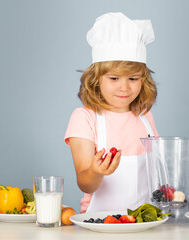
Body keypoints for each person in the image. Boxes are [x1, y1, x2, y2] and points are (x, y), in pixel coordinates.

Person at [64, 12, 158, 213]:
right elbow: (84, 183)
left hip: (146, 223)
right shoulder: (84, 118)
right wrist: (96, 172)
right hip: (100, 225)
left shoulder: (145, 117)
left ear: (143, 79)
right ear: (96, 80)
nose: (124, 87)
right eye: (114, 79)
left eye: (133, 79)